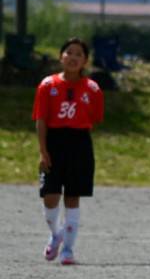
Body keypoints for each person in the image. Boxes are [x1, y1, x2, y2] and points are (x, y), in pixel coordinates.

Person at [34, 37, 105, 265]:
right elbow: (41, 119)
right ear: (61, 56)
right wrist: (43, 150)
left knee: (73, 197)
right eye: (69, 52)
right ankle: (56, 234)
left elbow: (96, 117)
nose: (73, 57)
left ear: (85, 61)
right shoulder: (47, 85)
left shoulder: (92, 89)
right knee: (50, 196)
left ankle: (68, 250)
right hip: (54, 142)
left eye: (79, 54)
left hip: (79, 143)